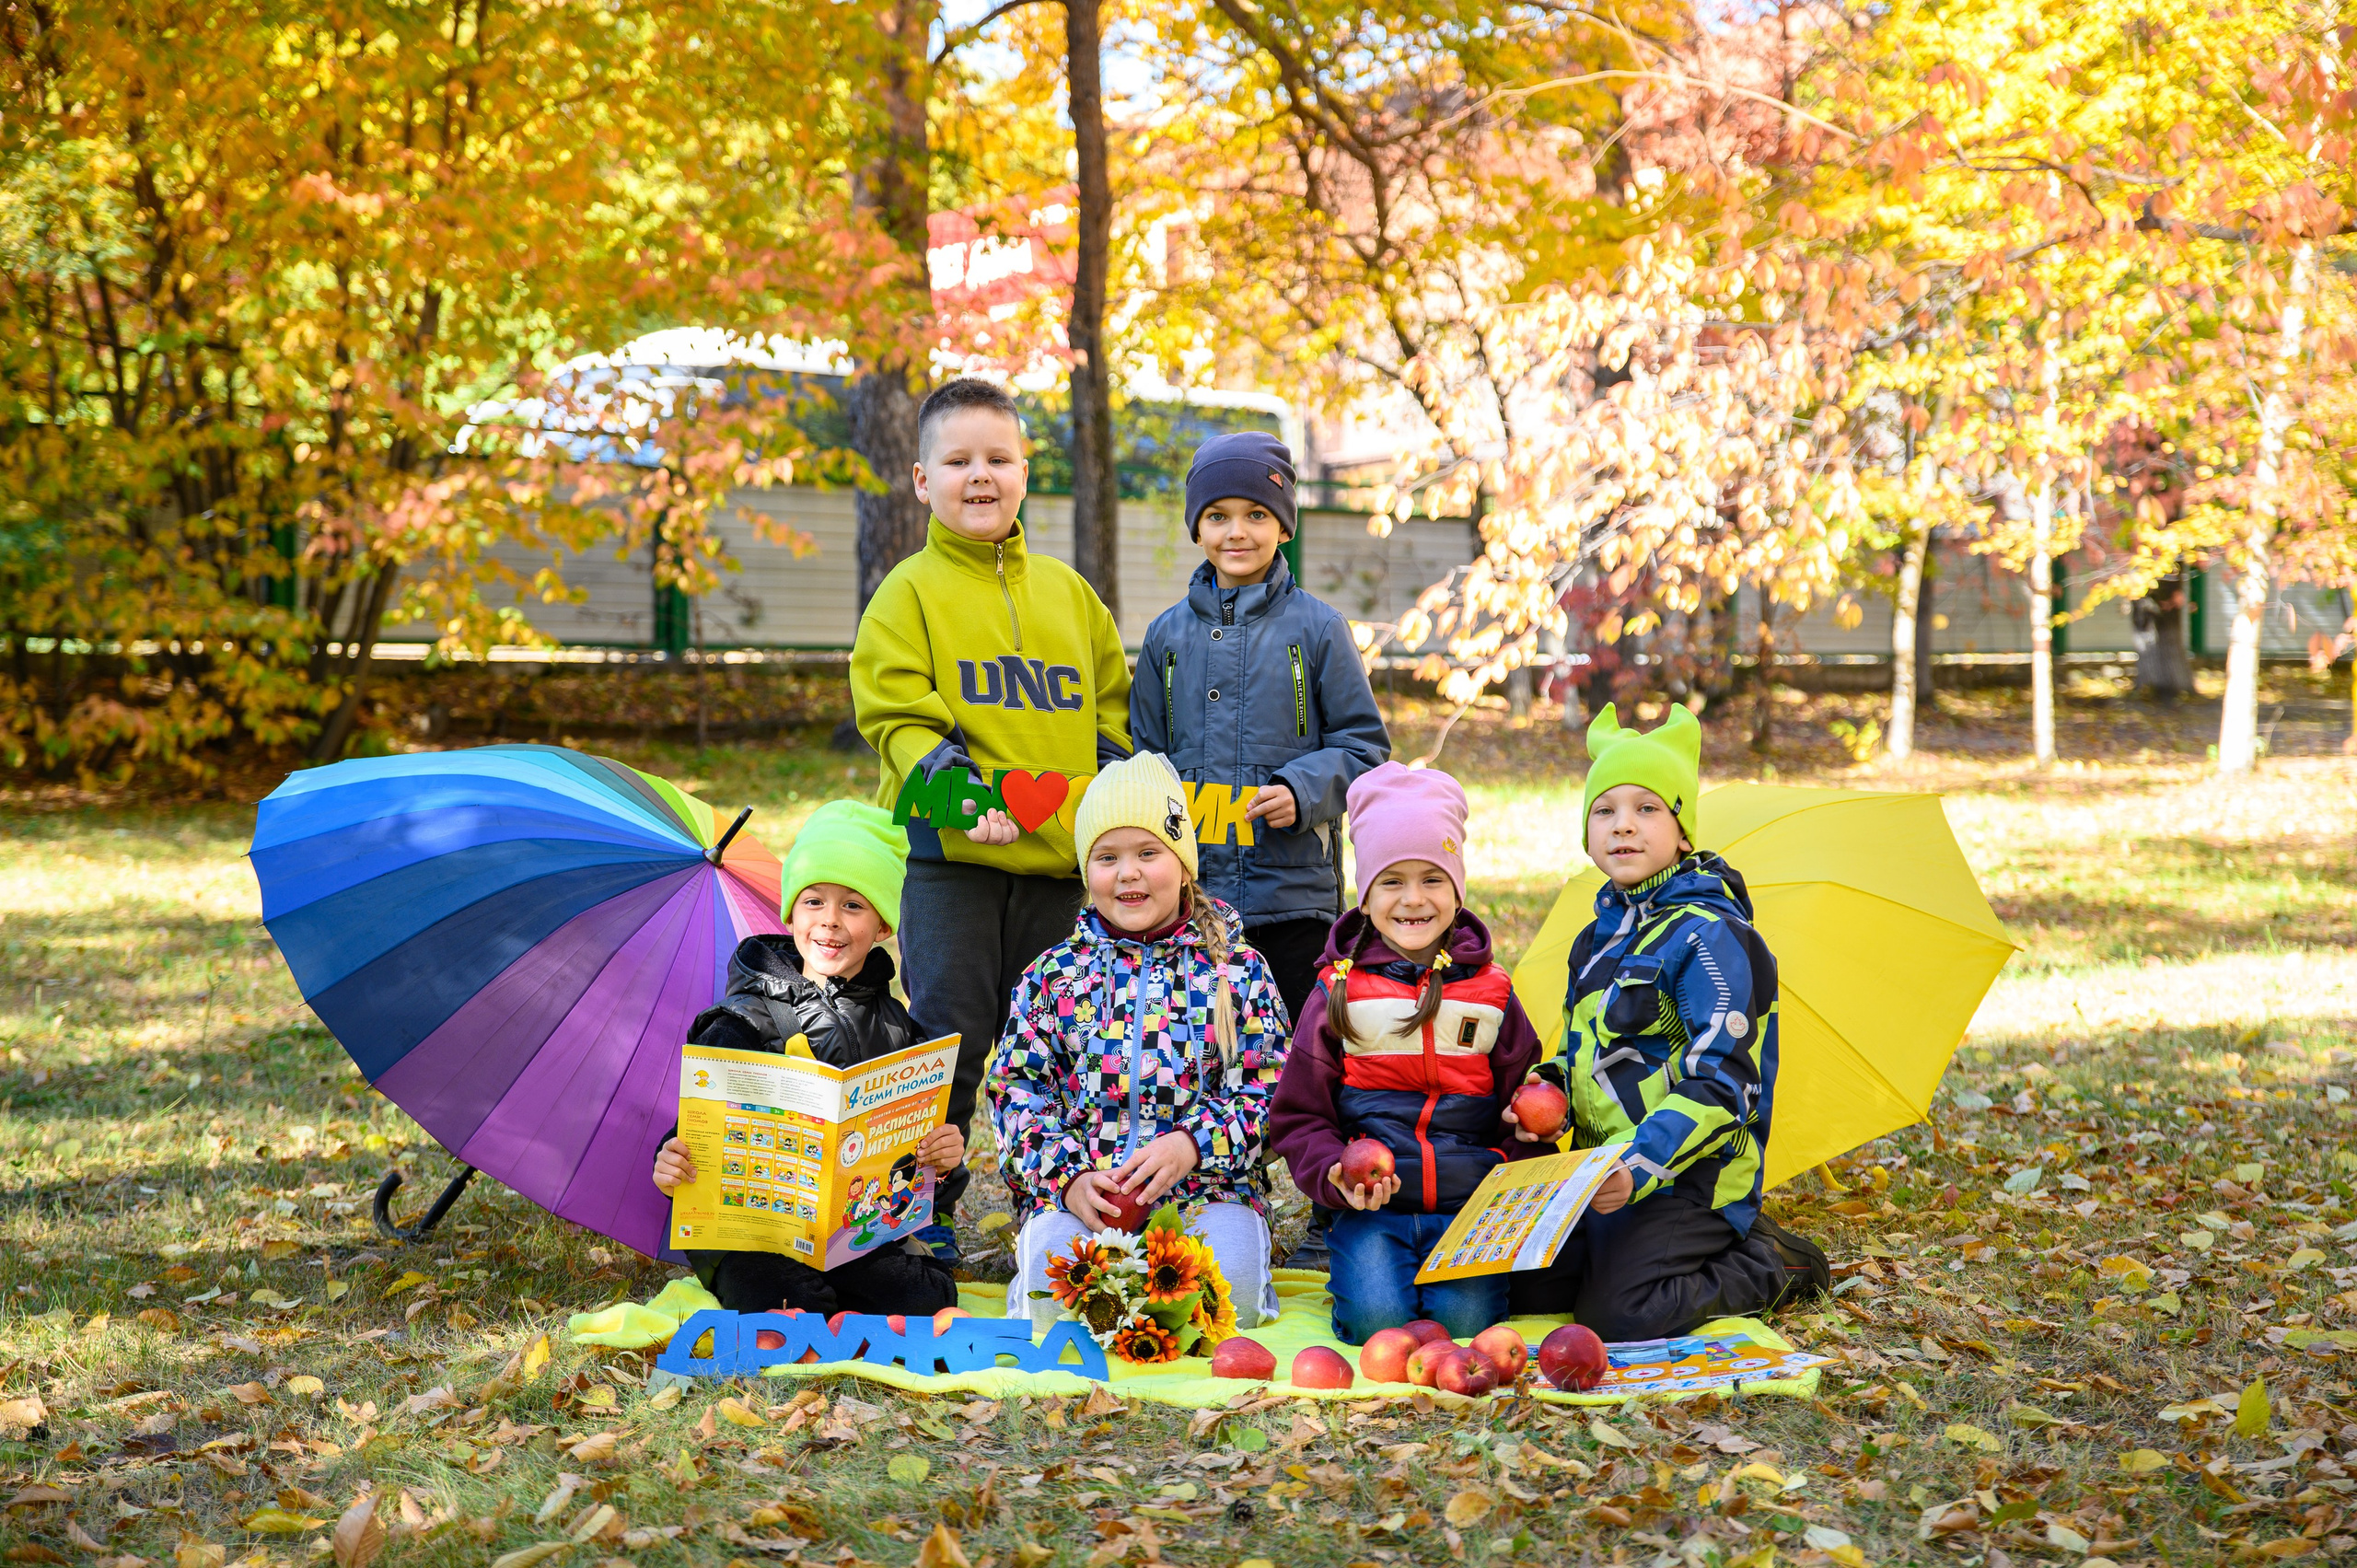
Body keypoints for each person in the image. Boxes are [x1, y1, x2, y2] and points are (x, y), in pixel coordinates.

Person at [851, 377, 1132, 1260]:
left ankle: (1066, 1210)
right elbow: (896, 717)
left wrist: (1113, 829)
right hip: (957, 868)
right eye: (959, 459)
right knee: (947, 1044)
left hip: (1061, 878)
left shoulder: (1069, 595)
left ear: (1024, 474)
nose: (982, 475)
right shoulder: (910, 592)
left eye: (999, 459)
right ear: (922, 479)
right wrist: (969, 803)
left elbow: (1111, 723)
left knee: (1064, 1049)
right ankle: (916, 1212)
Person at [1130, 432, 1390, 1272]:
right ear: (1196, 528)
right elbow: (1137, 759)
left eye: (1254, 514)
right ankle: (1220, 1195)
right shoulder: (1168, 640)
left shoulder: (1315, 629)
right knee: (1205, 1051)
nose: (1235, 531)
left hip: (1293, 892)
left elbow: (1365, 745)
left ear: (1283, 523)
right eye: (1216, 515)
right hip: (1196, 902)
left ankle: (1327, 1207)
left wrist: (1305, 786)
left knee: (1313, 1055)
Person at [1507, 704, 1829, 1339]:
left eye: (1648, 808)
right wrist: (1543, 1092)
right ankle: (1621, 1249)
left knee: (1619, 1314)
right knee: (1517, 1288)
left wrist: (1643, 1164)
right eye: (1606, 811)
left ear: (1683, 831)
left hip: (1691, 1174)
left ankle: (1775, 1259)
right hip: (1604, 1173)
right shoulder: (1592, 941)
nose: (1623, 825)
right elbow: (1583, 1055)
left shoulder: (1711, 938)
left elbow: (1723, 1081)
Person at [988, 751, 1289, 1330]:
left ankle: (1198, 1289)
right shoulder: (1053, 976)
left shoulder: (1237, 971)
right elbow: (1015, 1090)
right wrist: (1068, 1177)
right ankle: (1094, 1291)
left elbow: (1270, 1091)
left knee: (1229, 1301)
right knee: (1047, 1307)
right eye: (1107, 858)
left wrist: (1194, 1145)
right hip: (1087, 1198)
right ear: (1086, 872)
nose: (1128, 873)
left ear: (1182, 864)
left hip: (1206, 1190)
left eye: (1148, 853)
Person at [1266, 762, 1553, 1342]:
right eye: (1391, 881)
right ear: (1365, 895)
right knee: (1377, 1325)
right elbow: (1300, 1115)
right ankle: (1367, 1273)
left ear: (1457, 889)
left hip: (1469, 1207)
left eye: (1432, 879)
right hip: (1372, 1208)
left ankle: (1452, 1282)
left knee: (1467, 1326)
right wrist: (1332, 1176)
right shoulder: (1338, 991)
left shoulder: (1492, 991)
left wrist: (1513, 1158)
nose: (1413, 899)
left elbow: (1524, 1096)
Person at [651, 800, 961, 1317]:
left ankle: (840, 1294)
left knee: (925, 1296)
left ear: (884, 926)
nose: (830, 922)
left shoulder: (896, 1025)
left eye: (854, 906)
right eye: (814, 901)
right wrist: (670, 1158)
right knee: (773, 1294)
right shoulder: (740, 1019)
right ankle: (804, 1302)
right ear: (791, 911)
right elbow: (696, 1129)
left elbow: (909, 1156)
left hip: (849, 1231)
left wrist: (940, 1158)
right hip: (751, 1234)